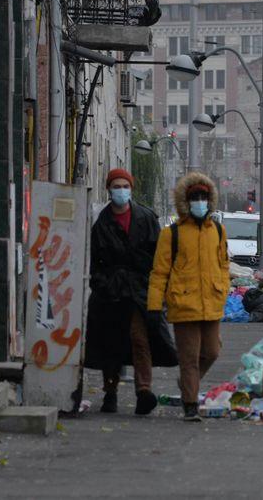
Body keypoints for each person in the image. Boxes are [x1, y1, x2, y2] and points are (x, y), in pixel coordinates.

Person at [84, 168, 178, 415]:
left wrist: (156, 288)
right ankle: (110, 392)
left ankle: (143, 391)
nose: (121, 191)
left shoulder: (146, 218)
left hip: (139, 290)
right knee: (111, 344)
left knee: (140, 339)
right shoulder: (102, 223)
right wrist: (103, 284)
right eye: (116, 186)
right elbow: (94, 262)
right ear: (109, 189)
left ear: (132, 189)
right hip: (112, 293)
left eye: (125, 186)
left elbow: (160, 258)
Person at [147, 172, 230, 422]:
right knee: (189, 357)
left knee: (212, 352)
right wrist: (153, 306)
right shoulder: (171, 234)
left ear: (211, 200)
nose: (200, 201)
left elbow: (224, 264)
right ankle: (190, 404)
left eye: (204, 197)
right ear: (186, 200)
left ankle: (186, 383)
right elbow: (159, 272)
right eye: (195, 197)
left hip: (212, 303)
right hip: (183, 304)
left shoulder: (217, 229)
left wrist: (222, 288)